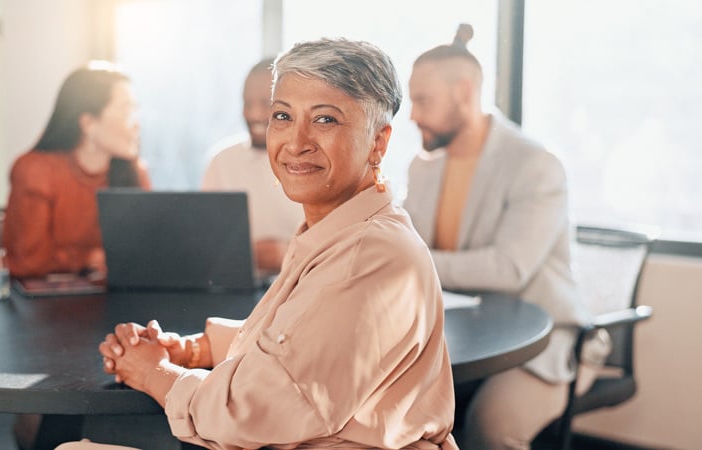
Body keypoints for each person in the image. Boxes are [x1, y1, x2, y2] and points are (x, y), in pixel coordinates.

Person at [61, 38, 458, 450]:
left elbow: (259, 406)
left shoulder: (370, 253)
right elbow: (296, 342)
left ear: (378, 141)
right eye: (283, 116)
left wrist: (154, 374)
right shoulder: (341, 230)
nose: (296, 141)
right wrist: (192, 350)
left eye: (325, 120)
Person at [405, 24, 610, 449]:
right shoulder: (423, 166)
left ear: (464, 91)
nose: (412, 115)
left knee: (489, 429)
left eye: (422, 100)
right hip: (460, 330)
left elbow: (508, 269)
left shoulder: (535, 165)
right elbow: (404, 245)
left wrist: (414, 260)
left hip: (545, 339)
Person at [1, 61, 151, 280]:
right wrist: (90, 258)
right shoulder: (35, 170)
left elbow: (149, 254)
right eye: (125, 110)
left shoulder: (134, 170)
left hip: (115, 305)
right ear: (88, 123)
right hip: (44, 309)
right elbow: (28, 262)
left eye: (135, 110)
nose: (136, 124)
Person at [201, 57, 304, 275]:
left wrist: (287, 254)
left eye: (265, 104)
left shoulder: (312, 163)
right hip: (239, 288)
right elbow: (206, 248)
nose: (253, 114)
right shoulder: (222, 162)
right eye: (247, 103)